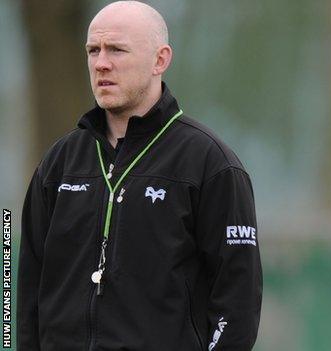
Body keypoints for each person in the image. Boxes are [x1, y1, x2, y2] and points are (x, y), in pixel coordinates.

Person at [18, 2, 262, 350]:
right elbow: (27, 288)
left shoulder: (211, 164)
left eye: (116, 49)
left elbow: (237, 304)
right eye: (93, 50)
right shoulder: (58, 163)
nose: (101, 63)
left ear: (160, 60)